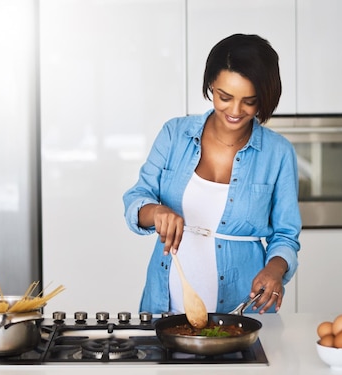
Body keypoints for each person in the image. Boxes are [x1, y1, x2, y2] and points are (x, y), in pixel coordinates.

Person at [122, 34, 301, 315]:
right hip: (162, 308)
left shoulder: (278, 153)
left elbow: (286, 235)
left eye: (249, 101)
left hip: (242, 312)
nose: (235, 111)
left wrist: (275, 269)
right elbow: (137, 198)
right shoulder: (174, 135)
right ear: (210, 86)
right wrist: (156, 212)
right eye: (224, 97)